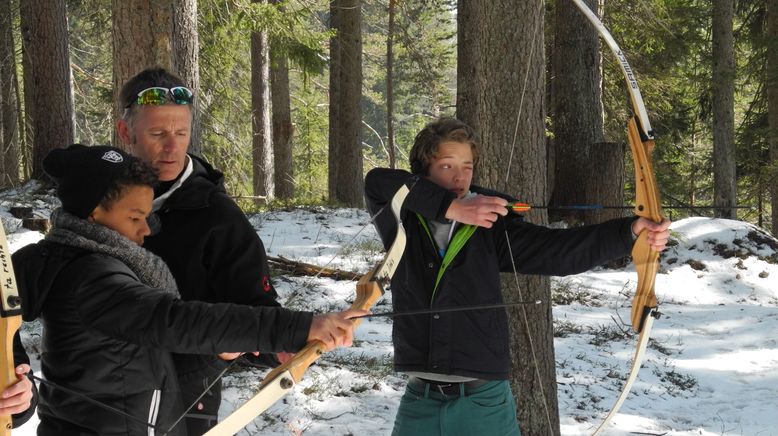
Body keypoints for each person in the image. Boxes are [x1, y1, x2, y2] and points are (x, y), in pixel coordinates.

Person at [13, 145, 364, 435]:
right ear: (93, 214)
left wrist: (220, 353)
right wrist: (299, 327)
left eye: (149, 218)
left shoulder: (62, 259)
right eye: (135, 218)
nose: (147, 231)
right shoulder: (92, 279)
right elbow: (175, 321)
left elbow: (144, 357)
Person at [364, 118, 671, 436]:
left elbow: (558, 253)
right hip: (420, 401)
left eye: (467, 166)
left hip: (482, 403)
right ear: (423, 171)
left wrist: (630, 232)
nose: (460, 176)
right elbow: (377, 182)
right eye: (446, 166)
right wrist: (451, 208)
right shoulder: (402, 219)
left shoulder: (492, 221)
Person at [114, 67, 292, 433]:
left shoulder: (218, 216)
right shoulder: (98, 201)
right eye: (158, 133)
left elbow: (254, 308)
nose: (172, 146)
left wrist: (285, 341)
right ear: (125, 132)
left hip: (184, 392)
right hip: (99, 390)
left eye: (181, 132)